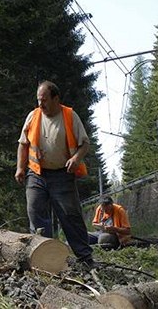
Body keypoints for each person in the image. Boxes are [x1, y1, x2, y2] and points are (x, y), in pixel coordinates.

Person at [15, 80, 94, 266]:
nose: (40, 104)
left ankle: (85, 257)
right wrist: (20, 167)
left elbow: (85, 144)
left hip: (62, 174)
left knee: (70, 216)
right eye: (38, 100)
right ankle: (44, 259)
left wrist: (76, 159)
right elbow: (23, 144)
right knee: (36, 213)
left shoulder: (69, 115)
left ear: (56, 98)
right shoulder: (33, 116)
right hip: (36, 174)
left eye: (44, 100)